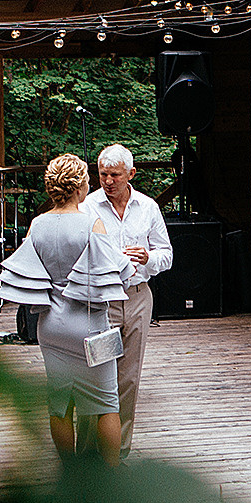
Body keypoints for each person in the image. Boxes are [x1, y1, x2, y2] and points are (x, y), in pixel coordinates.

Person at [0, 154, 132, 466]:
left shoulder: (37, 224)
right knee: (107, 403)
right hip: (91, 324)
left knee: (59, 403)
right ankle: (111, 476)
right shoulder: (91, 222)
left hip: (51, 325)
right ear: (80, 186)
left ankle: (69, 473)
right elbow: (119, 269)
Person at [86, 144, 174, 457]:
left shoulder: (148, 207)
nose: (107, 181)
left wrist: (148, 257)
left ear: (131, 174)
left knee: (128, 379)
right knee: (97, 373)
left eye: (114, 175)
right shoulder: (88, 207)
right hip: (103, 302)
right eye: (102, 174)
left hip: (137, 299)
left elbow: (167, 254)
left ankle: (118, 454)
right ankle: (88, 455)